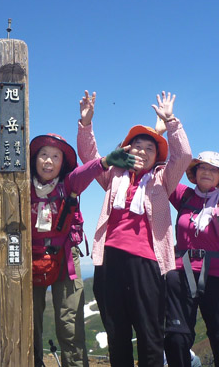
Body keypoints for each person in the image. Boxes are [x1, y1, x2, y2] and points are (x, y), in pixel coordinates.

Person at [0, 132, 128, 367]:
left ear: (62, 163)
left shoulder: (68, 184)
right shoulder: (20, 186)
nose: (48, 161)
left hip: (65, 257)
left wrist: (105, 162)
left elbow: (84, 173)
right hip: (28, 259)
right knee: (28, 322)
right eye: (43, 154)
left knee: (70, 325)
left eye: (55, 156)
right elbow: (1, 209)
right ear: (34, 159)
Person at [77, 90, 192, 367]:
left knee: (150, 335)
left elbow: (183, 155)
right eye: (137, 146)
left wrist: (171, 122)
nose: (142, 151)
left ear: (157, 157)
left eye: (150, 149)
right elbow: (89, 156)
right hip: (110, 262)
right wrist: (86, 123)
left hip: (147, 264)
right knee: (117, 334)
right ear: (127, 150)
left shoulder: (162, 179)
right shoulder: (114, 175)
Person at [163, 133, 219, 367]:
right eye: (202, 167)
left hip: (217, 275)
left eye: (213, 169)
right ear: (195, 172)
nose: (207, 172)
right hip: (181, 274)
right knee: (176, 338)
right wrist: (165, 133)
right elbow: (166, 176)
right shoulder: (184, 197)